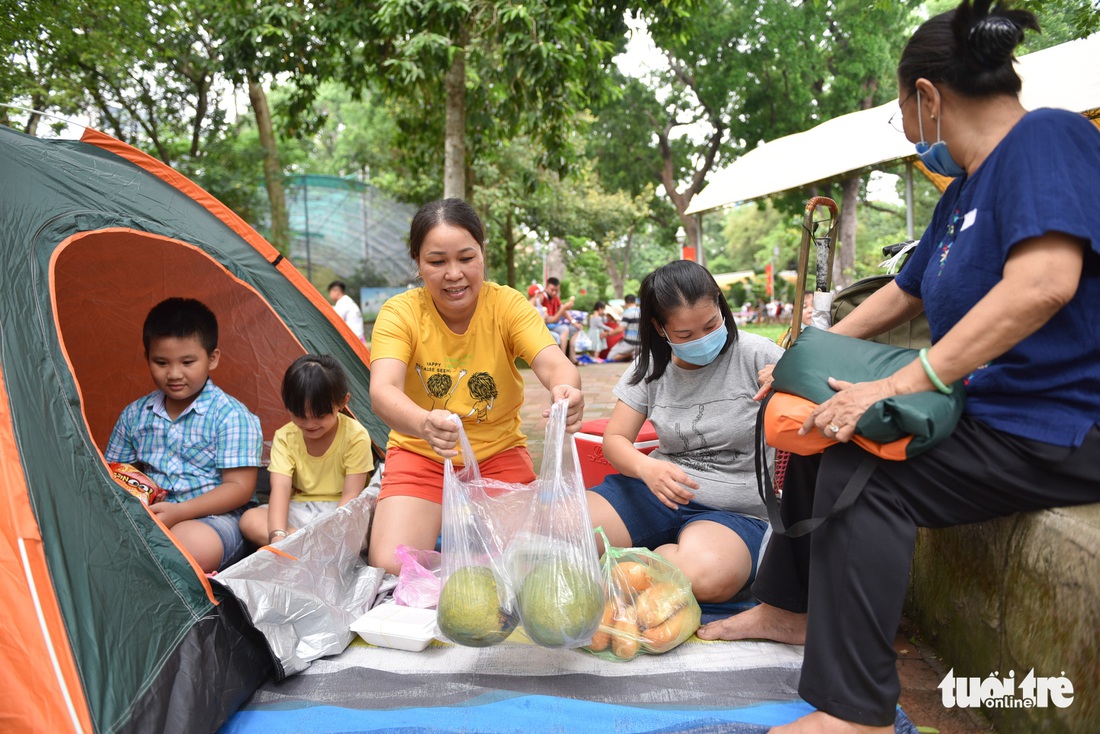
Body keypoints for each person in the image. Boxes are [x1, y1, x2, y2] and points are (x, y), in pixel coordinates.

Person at [698, 2, 1100, 731]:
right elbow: (903, 291)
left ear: (926, 96)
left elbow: (1044, 284)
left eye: (902, 115)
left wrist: (901, 382)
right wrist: (801, 364)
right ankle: (791, 612)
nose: (910, 134)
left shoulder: (1048, 138)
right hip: (990, 413)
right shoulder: (965, 191)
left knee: (865, 474)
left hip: (1061, 422)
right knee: (814, 428)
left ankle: (857, 712)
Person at [366, 199, 584, 576]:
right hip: (422, 453)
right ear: (417, 262)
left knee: (525, 560)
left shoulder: (507, 306)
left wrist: (566, 389)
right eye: (437, 262)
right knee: (390, 564)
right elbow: (383, 390)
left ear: (483, 252)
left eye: (466, 258)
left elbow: (554, 364)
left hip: (499, 453)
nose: (454, 274)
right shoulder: (399, 313)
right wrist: (423, 423)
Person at [586, 260, 784, 604]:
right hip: (655, 494)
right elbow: (615, 440)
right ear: (659, 328)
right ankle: (648, 565)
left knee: (705, 578)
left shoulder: (758, 355)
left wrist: (792, 379)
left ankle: (631, 566)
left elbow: (821, 395)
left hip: (733, 512)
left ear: (721, 304)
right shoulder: (649, 367)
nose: (703, 340)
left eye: (711, 325)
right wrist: (646, 468)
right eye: (685, 335)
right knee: (566, 532)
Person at [105, 297, 263, 573]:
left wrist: (180, 512)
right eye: (162, 362)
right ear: (147, 359)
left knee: (187, 547)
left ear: (212, 359)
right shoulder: (134, 415)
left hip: (217, 518)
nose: (174, 374)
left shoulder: (230, 415)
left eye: (187, 362)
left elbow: (239, 488)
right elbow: (117, 471)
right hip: (153, 515)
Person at [239, 354, 374, 547]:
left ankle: (302, 546)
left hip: (340, 512)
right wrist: (277, 537)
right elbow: (281, 489)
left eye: (319, 415)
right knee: (250, 519)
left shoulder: (355, 435)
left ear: (342, 402)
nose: (310, 424)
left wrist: (331, 533)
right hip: (299, 510)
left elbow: (350, 496)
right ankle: (306, 546)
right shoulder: (285, 437)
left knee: (366, 531)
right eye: (300, 415)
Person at [606, 293, 640, 362]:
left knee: (610, 357)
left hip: (629, 342)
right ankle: (634, 353)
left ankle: (631, 353)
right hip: (641, 341)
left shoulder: (627, 313)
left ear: (626, 303)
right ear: (635, 302)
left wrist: (608, 334)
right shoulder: (642, 311)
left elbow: (621, 329)